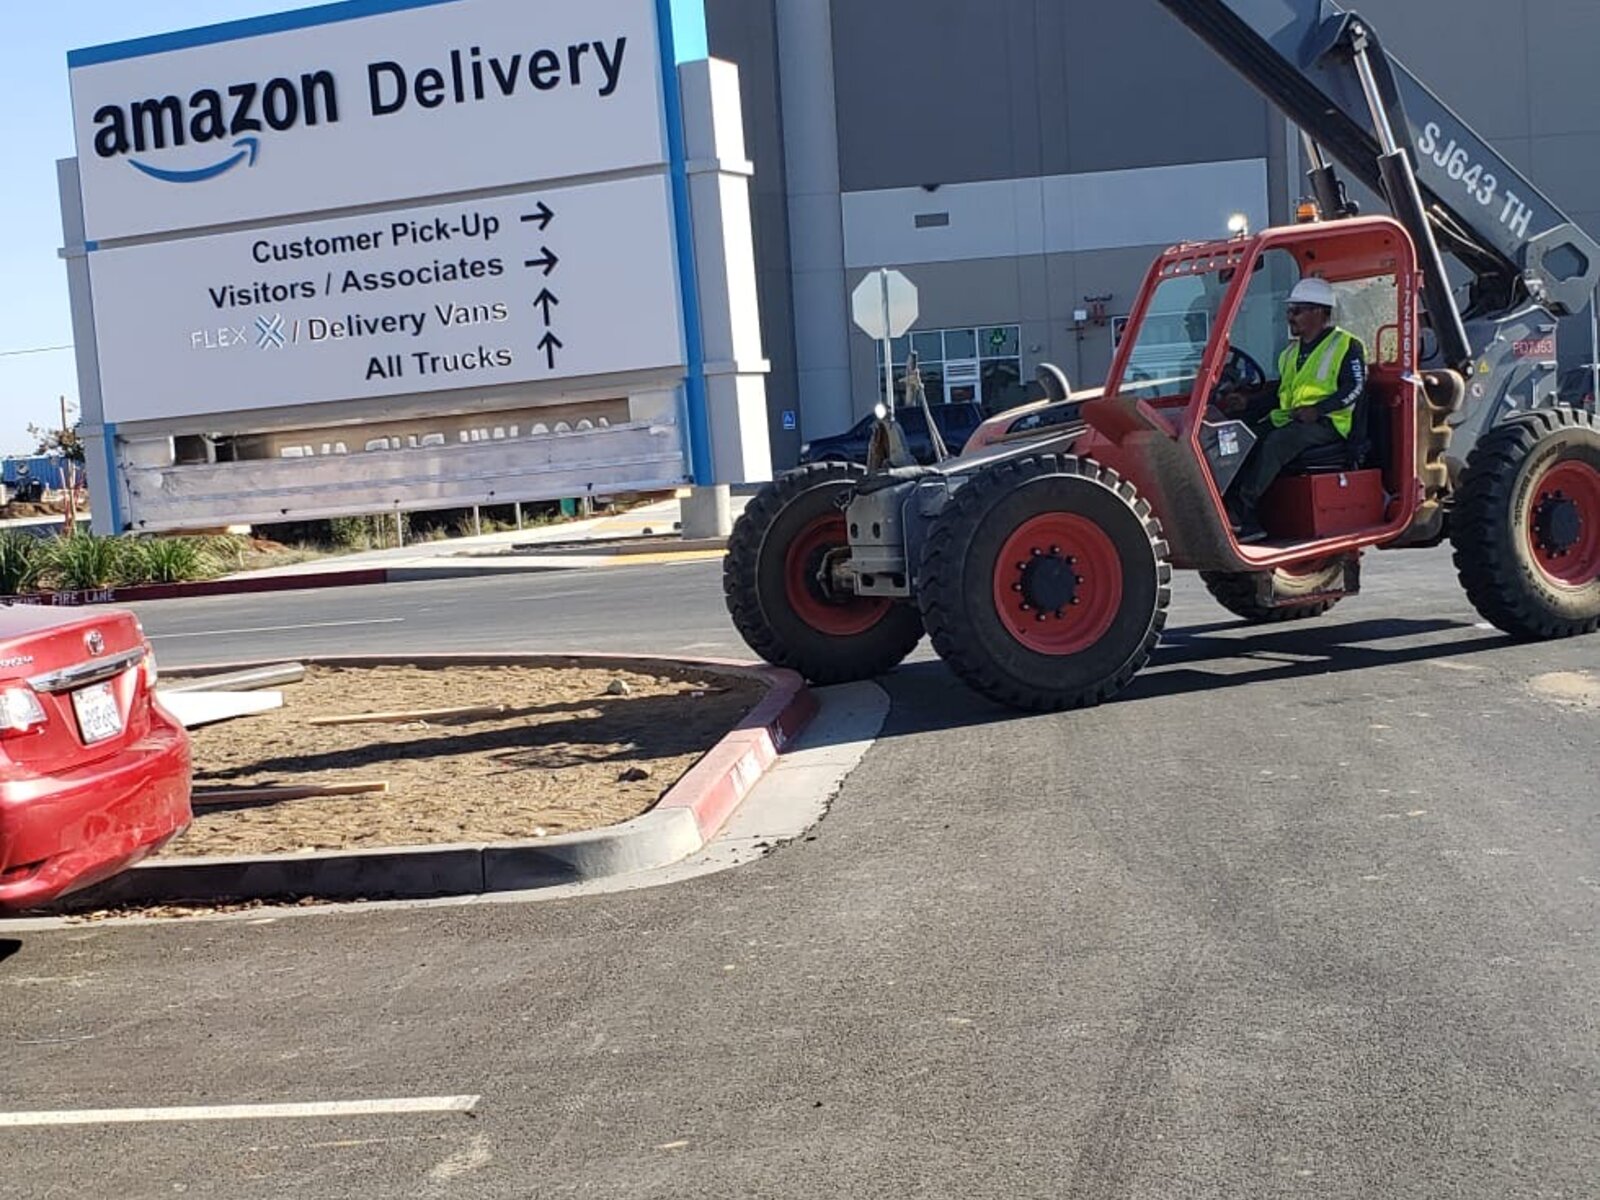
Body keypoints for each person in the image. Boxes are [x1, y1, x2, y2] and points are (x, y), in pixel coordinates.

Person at [1220, 277, 1366, 543]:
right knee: (1242, 438)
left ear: (1319, 312)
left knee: (1278, 442)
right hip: (1292, 419)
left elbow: (1354, 388)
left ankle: (1243, 508)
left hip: (1329, 424)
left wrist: (1319, 410)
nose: (1290, 317)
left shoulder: (1346, 345)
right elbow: (1280, 395)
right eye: (1289, 311)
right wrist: (1248, 404)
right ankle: (1231, 510)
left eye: (1296, 311)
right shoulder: (1289, 354)